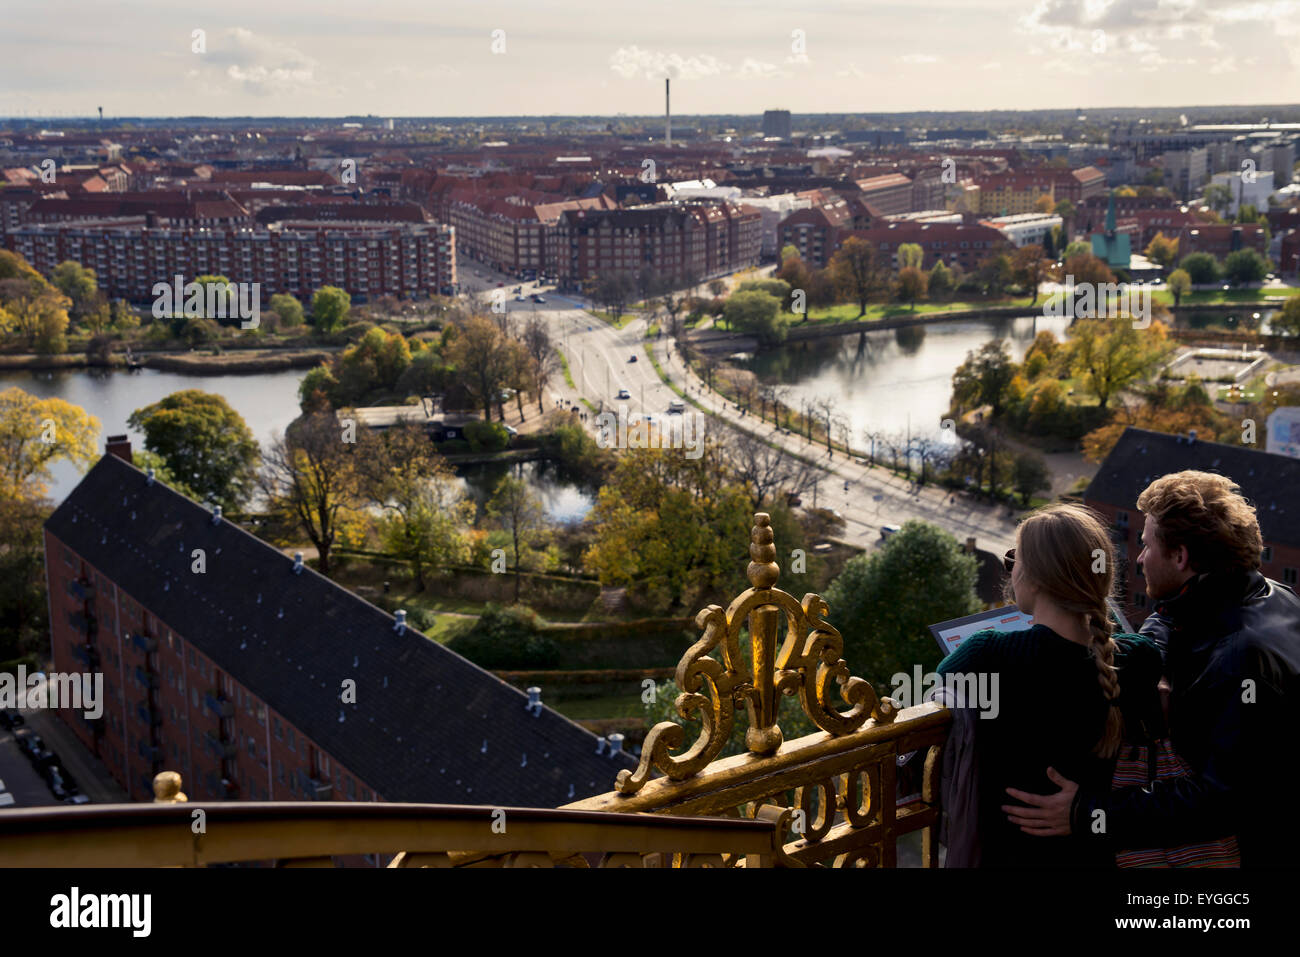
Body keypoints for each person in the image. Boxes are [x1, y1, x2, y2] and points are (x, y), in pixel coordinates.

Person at [1004, 471, 1300, 867]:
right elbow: (1174, 616)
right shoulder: (1269, 593)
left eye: (1146, 546)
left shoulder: (1241, 661)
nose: (1139, 558)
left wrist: (1090, 813)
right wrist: (1151, 653)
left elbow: (1220, 800)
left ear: (1180, 557)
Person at [937, 503, 1161, 867]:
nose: (1011, 572)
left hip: (1010, 855)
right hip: (1094, 853)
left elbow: (933, 693)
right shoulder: (1137, 659)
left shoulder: (988, 653)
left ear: (1036, 577)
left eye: (1016, 561)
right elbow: (1128, 650)